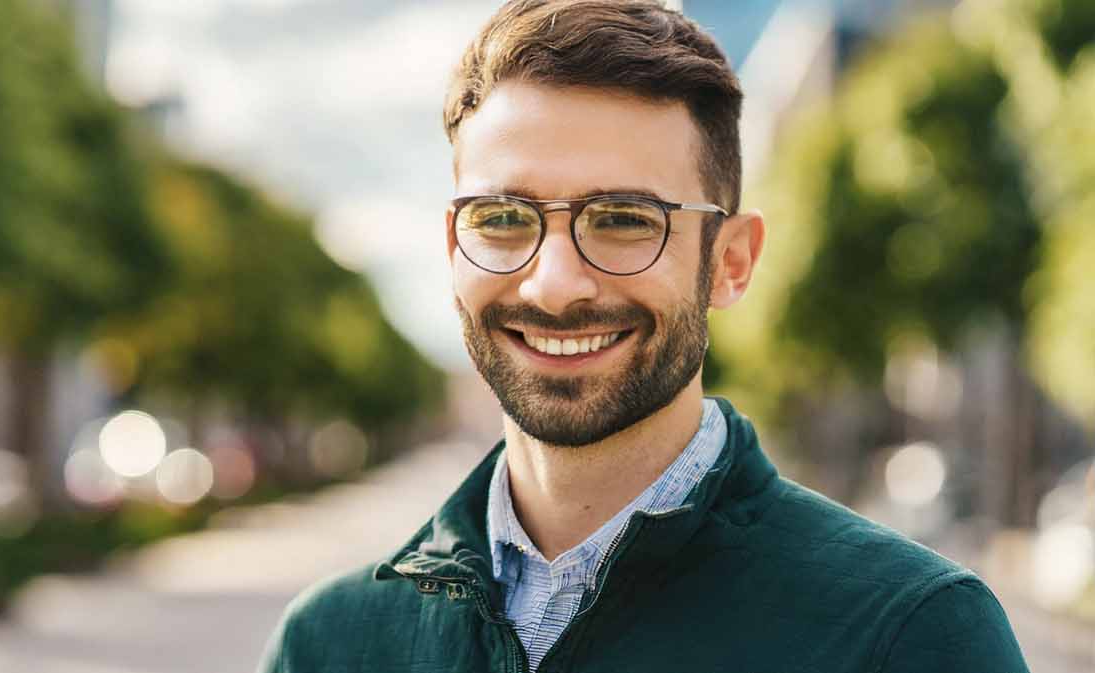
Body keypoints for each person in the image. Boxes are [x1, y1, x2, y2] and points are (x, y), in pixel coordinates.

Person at [257, 1, 1031, 671]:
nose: (553, 283)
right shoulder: (328, 646)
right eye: (501, 218)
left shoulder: (912, 637)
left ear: (730, 262)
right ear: (455, 247)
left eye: (625, 219)